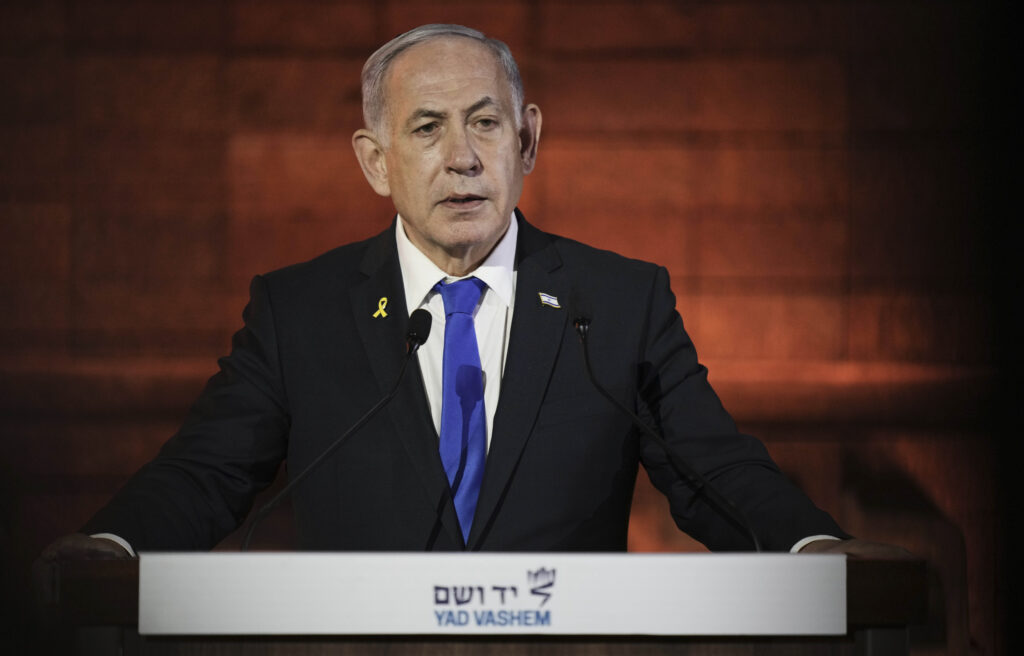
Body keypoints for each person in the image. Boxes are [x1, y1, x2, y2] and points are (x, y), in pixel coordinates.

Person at [42, 24, 900, 560]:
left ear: (527, 142)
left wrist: (812, 546)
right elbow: (205, 473)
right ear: (376, 162)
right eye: (427, 128)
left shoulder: (618, 301)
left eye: (485, 122)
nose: (463, 157)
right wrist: (111, 545)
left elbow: (714, 468)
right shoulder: (299, 313)